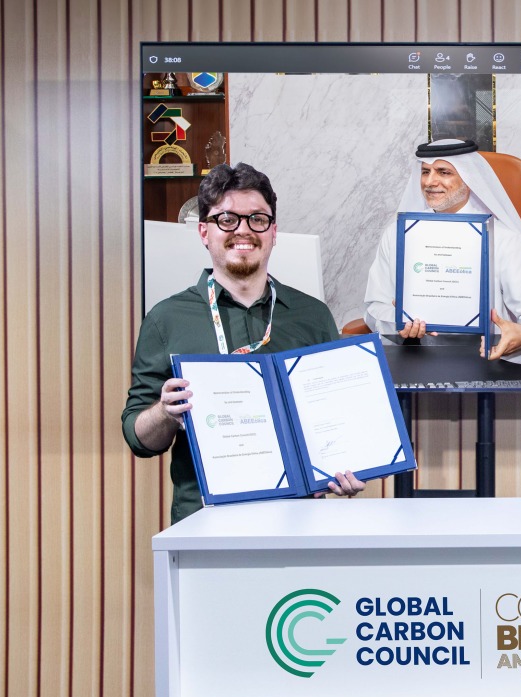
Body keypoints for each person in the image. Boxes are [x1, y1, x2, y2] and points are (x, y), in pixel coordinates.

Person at [123, 162, 365, 524]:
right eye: (227, 220)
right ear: (204, 232)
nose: (244, 230)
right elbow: (139, 439)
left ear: (273, 232)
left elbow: (336, 417)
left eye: (257, 219)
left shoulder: (312, 316)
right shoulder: (166, 319)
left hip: (298, 519)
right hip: (204, 521)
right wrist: (164, 412)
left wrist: (344, 467)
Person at [362, 139, 521, 364]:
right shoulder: (397, 235)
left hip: (488, 361)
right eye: (425, 172)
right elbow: (375, 307)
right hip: (414, 358)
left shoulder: (504, 238)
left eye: (443, 172)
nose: (430, 181)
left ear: (469, 179)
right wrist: (399, 322)